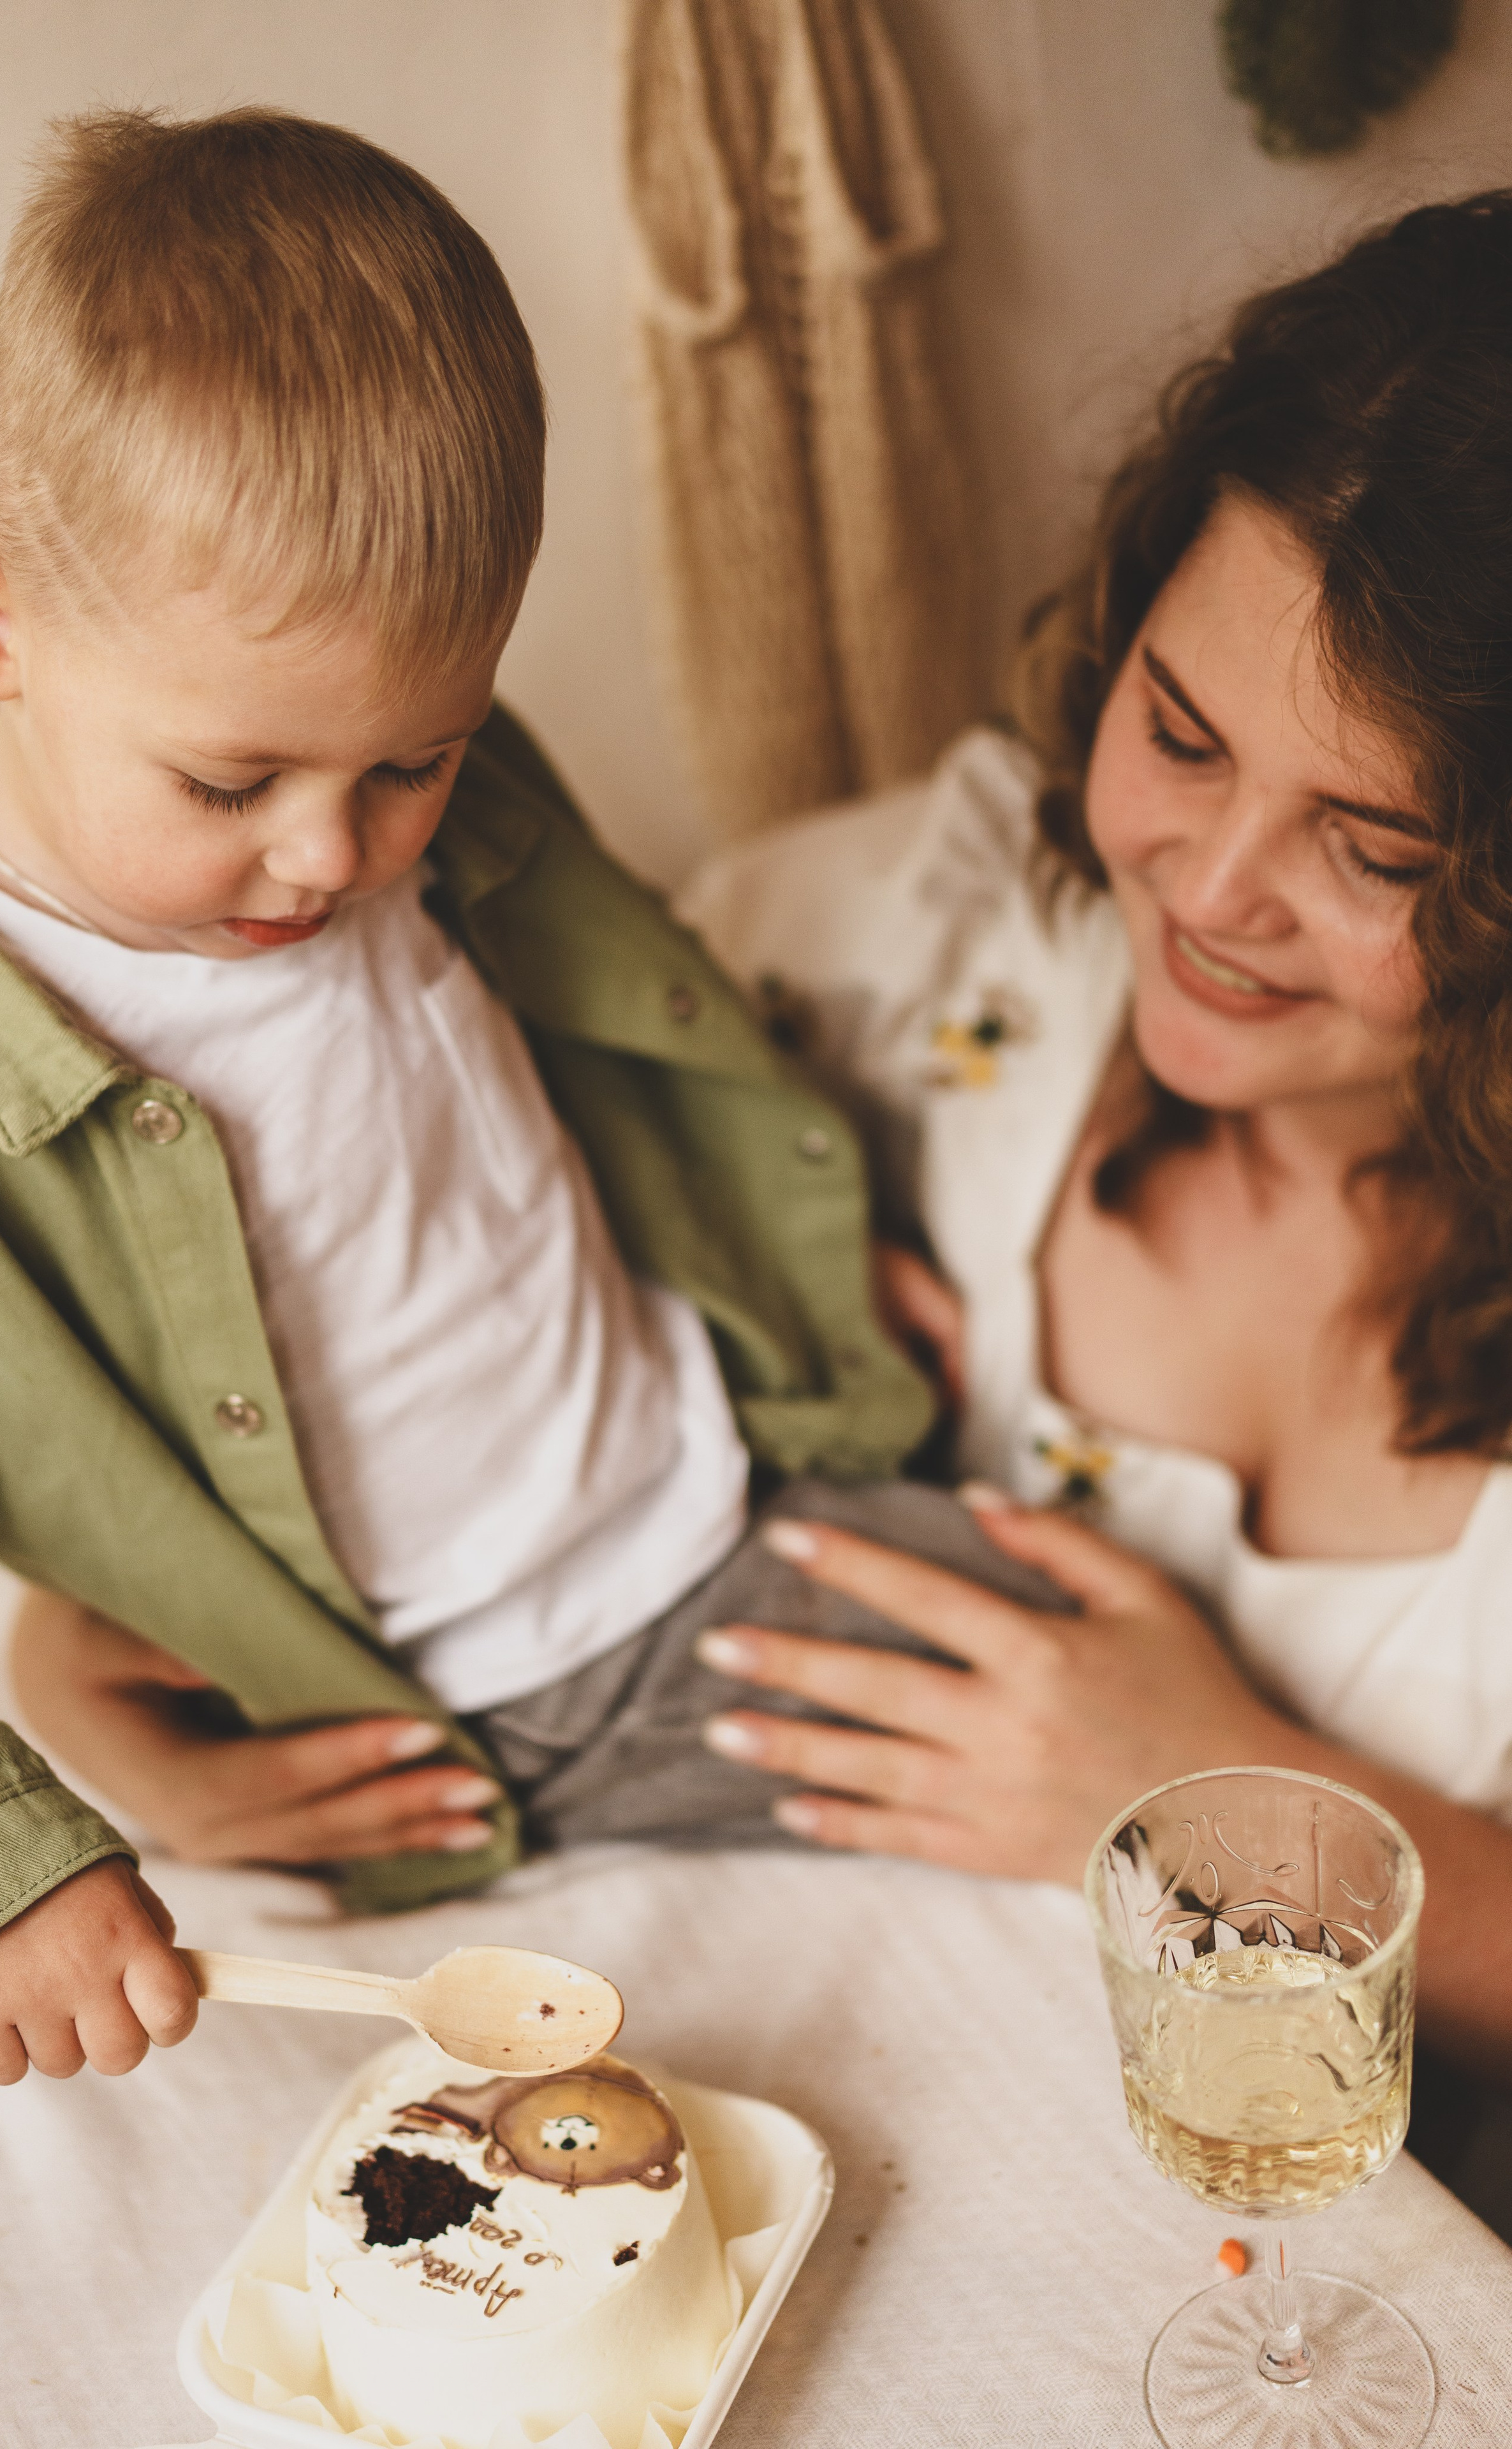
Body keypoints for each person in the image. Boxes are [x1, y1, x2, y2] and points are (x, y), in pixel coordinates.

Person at [0, 102, 990, 2089]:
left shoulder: (396, 784)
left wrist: (807, 1239)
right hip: (479, 1704)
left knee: (1179, 1817)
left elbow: (620, 1045)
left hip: (716, 1488)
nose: (333, 857)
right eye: (233, 788)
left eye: (418, 762)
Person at [680, 195, 1512, 2124]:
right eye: (1181, 729)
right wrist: (117, 1636)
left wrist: (1231, 1807)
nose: (1213, 892)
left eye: (1375, 852)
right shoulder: (901, 966)